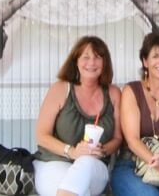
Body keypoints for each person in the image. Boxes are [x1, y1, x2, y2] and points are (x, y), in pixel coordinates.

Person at [34, 36, 122, 196]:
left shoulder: (114, 93)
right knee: (77, 189)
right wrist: (72, 151)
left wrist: (102, 150)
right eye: (86, 57)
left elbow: (118, 139)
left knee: (85, 164)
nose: (91, 62)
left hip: (94, 166)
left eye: (97, 57)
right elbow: (41, 135)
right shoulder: (60, 89)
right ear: (76, 61)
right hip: (53, 162)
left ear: (105, 63)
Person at [111, 31, 159, 196]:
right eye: (155, 56)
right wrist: (158, 165)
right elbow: (132, 140)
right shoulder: (131, 90)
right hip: (130, 165)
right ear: (145, 61)